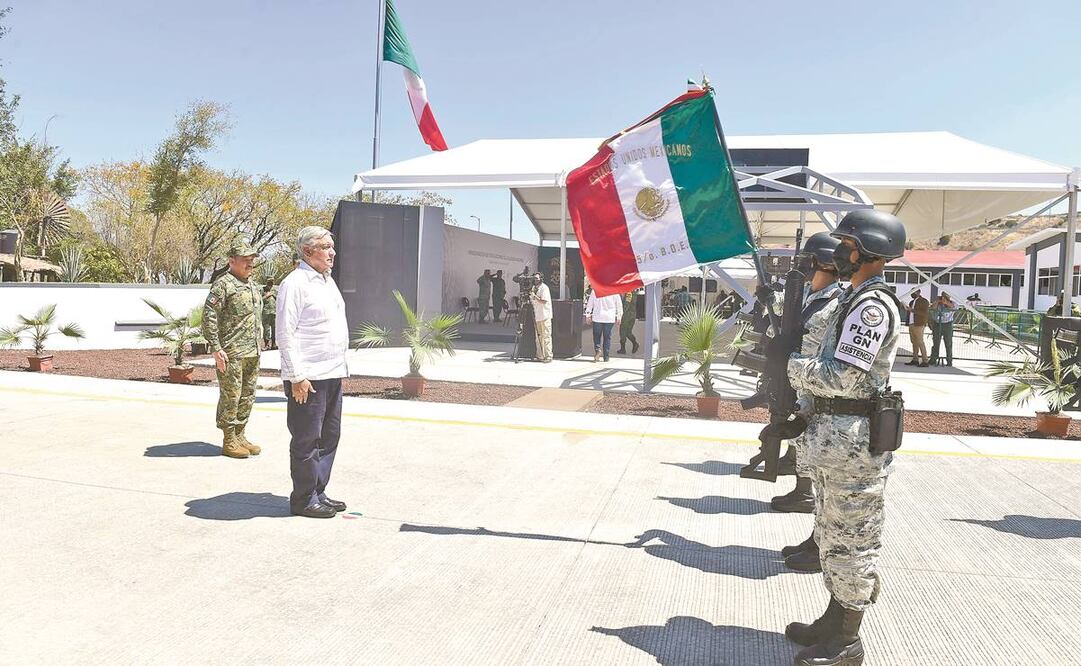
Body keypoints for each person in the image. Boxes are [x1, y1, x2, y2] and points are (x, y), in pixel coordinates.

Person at [784, 209, 906, 666]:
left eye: (848, 245)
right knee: (832, 539)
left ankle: (847, 643)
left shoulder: (872, 308)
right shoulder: (854, 298)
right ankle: (832, 622)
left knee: (853, 543)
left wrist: (788, 366)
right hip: (837, 445)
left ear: (870, 251)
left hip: (853, 449)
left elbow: (844, 378)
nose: (841, 252)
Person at [772, 232, 844, 535]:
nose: (804, 268)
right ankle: (804, 493)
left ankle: (806, 494)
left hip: (814, 381)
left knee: (810, 448)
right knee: (800, 442)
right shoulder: (809, 294)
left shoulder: (837, 301)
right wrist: (769, 300)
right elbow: (789, 316)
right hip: (799, 378)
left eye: (809, 262)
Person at [277, 226, 350, 519]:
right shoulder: (294, 283)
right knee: (307, 440)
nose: (332, 252)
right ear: (307, 251)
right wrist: (296, 376)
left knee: (330, 436)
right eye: (325, 247)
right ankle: (303, 498)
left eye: (332, 246)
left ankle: (318, 491)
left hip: (332, 373)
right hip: (307, 378)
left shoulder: (326, 281)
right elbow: (285, 333)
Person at [202, 241, 263, 460]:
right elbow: (209, 316)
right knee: (231, 396)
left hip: (253, 351)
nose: (250, 263)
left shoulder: (253, 285)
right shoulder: (223, 284)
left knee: (247, 395)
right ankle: (229, 440)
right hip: (232, 352)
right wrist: (216, 348)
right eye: (245, 259)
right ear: (231, 261)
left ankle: (240, 434)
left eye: (252, 259)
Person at [585, 289, 623, 362]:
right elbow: (619, 305)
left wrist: (588, 315)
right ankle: (606, 356)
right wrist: (619, 316)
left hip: (598, 316)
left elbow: (590, 304)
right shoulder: (614, 291)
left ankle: (598, 350)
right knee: (607, 337)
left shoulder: (595, 290)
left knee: (596, 336)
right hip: (609, 317)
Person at [929, 293, 958, 366]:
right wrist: (938, 301)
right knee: (936, 343)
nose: (943, 299)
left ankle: (949, 360)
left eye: (945, 297)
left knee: (948, 343)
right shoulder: (938, 303)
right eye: (943, 297)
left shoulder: (953, 303)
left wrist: (946, 302)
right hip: (937, 324)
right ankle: (933, 359)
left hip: (947, 325)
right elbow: (933, 307)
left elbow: (953, 307)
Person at [531, 272, 553, 362]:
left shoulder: (544, 288)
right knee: (538, 337)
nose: (535, 280)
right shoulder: (533, 288)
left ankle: (548, 356)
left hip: (545, 315)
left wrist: (534, 296)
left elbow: (544, 301)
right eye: (534, 278)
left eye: (537, 278)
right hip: (537, 315)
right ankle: (539, 355)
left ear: (541, 278)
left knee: (546, 336)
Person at [905, 289, 930, 366]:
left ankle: (925, 361)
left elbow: (924, 313)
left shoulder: (924, 301)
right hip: (911, 323)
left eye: (914, 292)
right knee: (914, 342)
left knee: (920, 342)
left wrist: (912, 310)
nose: (912, 293)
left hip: (919, 324)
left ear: (918, 292)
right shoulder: (912, 302)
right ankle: (915, 359)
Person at [618, 290, 640, 355]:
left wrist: (620, 314)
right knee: (628, 332)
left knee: (623, 331)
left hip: (627, 316)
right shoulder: (631, 292)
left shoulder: (629, 293)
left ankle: (623, 349)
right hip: (631, 315)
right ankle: (635, 343)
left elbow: (626, 305)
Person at [262, 282, 277, 350]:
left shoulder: (275, 290)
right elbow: (259, 300)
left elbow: (280, 299)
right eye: (269, 282)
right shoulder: (262, 290)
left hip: (274, 312)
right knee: (266, 329)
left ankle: (274, 344)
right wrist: (266, 296)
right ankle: (267, 344)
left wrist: (273, 294)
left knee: (275, 329)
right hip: (266, 313)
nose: (270, 285)